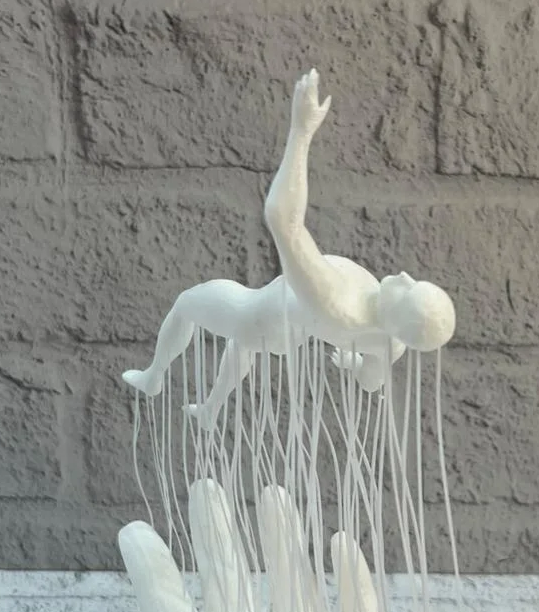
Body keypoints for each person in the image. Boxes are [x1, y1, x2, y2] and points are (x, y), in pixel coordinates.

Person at [124, 70, 456, 423]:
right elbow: (372, 382)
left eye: (408, 292)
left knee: (187, 303)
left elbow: (282, 218)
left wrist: (301, 132)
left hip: (267, 313)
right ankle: (209, 411)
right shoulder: (391, 342)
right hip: (281, 321)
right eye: (415, 282)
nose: (404, 277)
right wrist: (354, 361)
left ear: (400, 316)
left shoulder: (338, 300)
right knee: (243, 343)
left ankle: (154, 378)